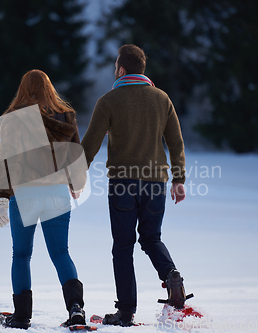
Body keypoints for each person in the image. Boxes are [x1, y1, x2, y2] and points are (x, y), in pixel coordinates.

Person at [80, 44, 188, 326]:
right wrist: (179, 179)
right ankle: (172, 277)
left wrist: (76, 175)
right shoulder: (162, 99)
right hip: (156, 184)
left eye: (116, 66)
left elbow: (90, 143)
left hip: (123, 184)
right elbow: (175, 143)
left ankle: (126, 312)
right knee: (151, 239)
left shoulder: (109, 101)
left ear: (122, 70)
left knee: (123, 246)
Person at [0, 69, 86, 329]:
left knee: (21, 255)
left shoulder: (13, 119)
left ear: (23, 89)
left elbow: (6, 162)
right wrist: (76, 184)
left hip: (24, 195)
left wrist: (2, 198)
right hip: (57, 193)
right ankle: (76, 309)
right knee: (61, 253)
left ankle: (21, 317)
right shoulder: (66, 116)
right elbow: (75, 154)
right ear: (50, 88)